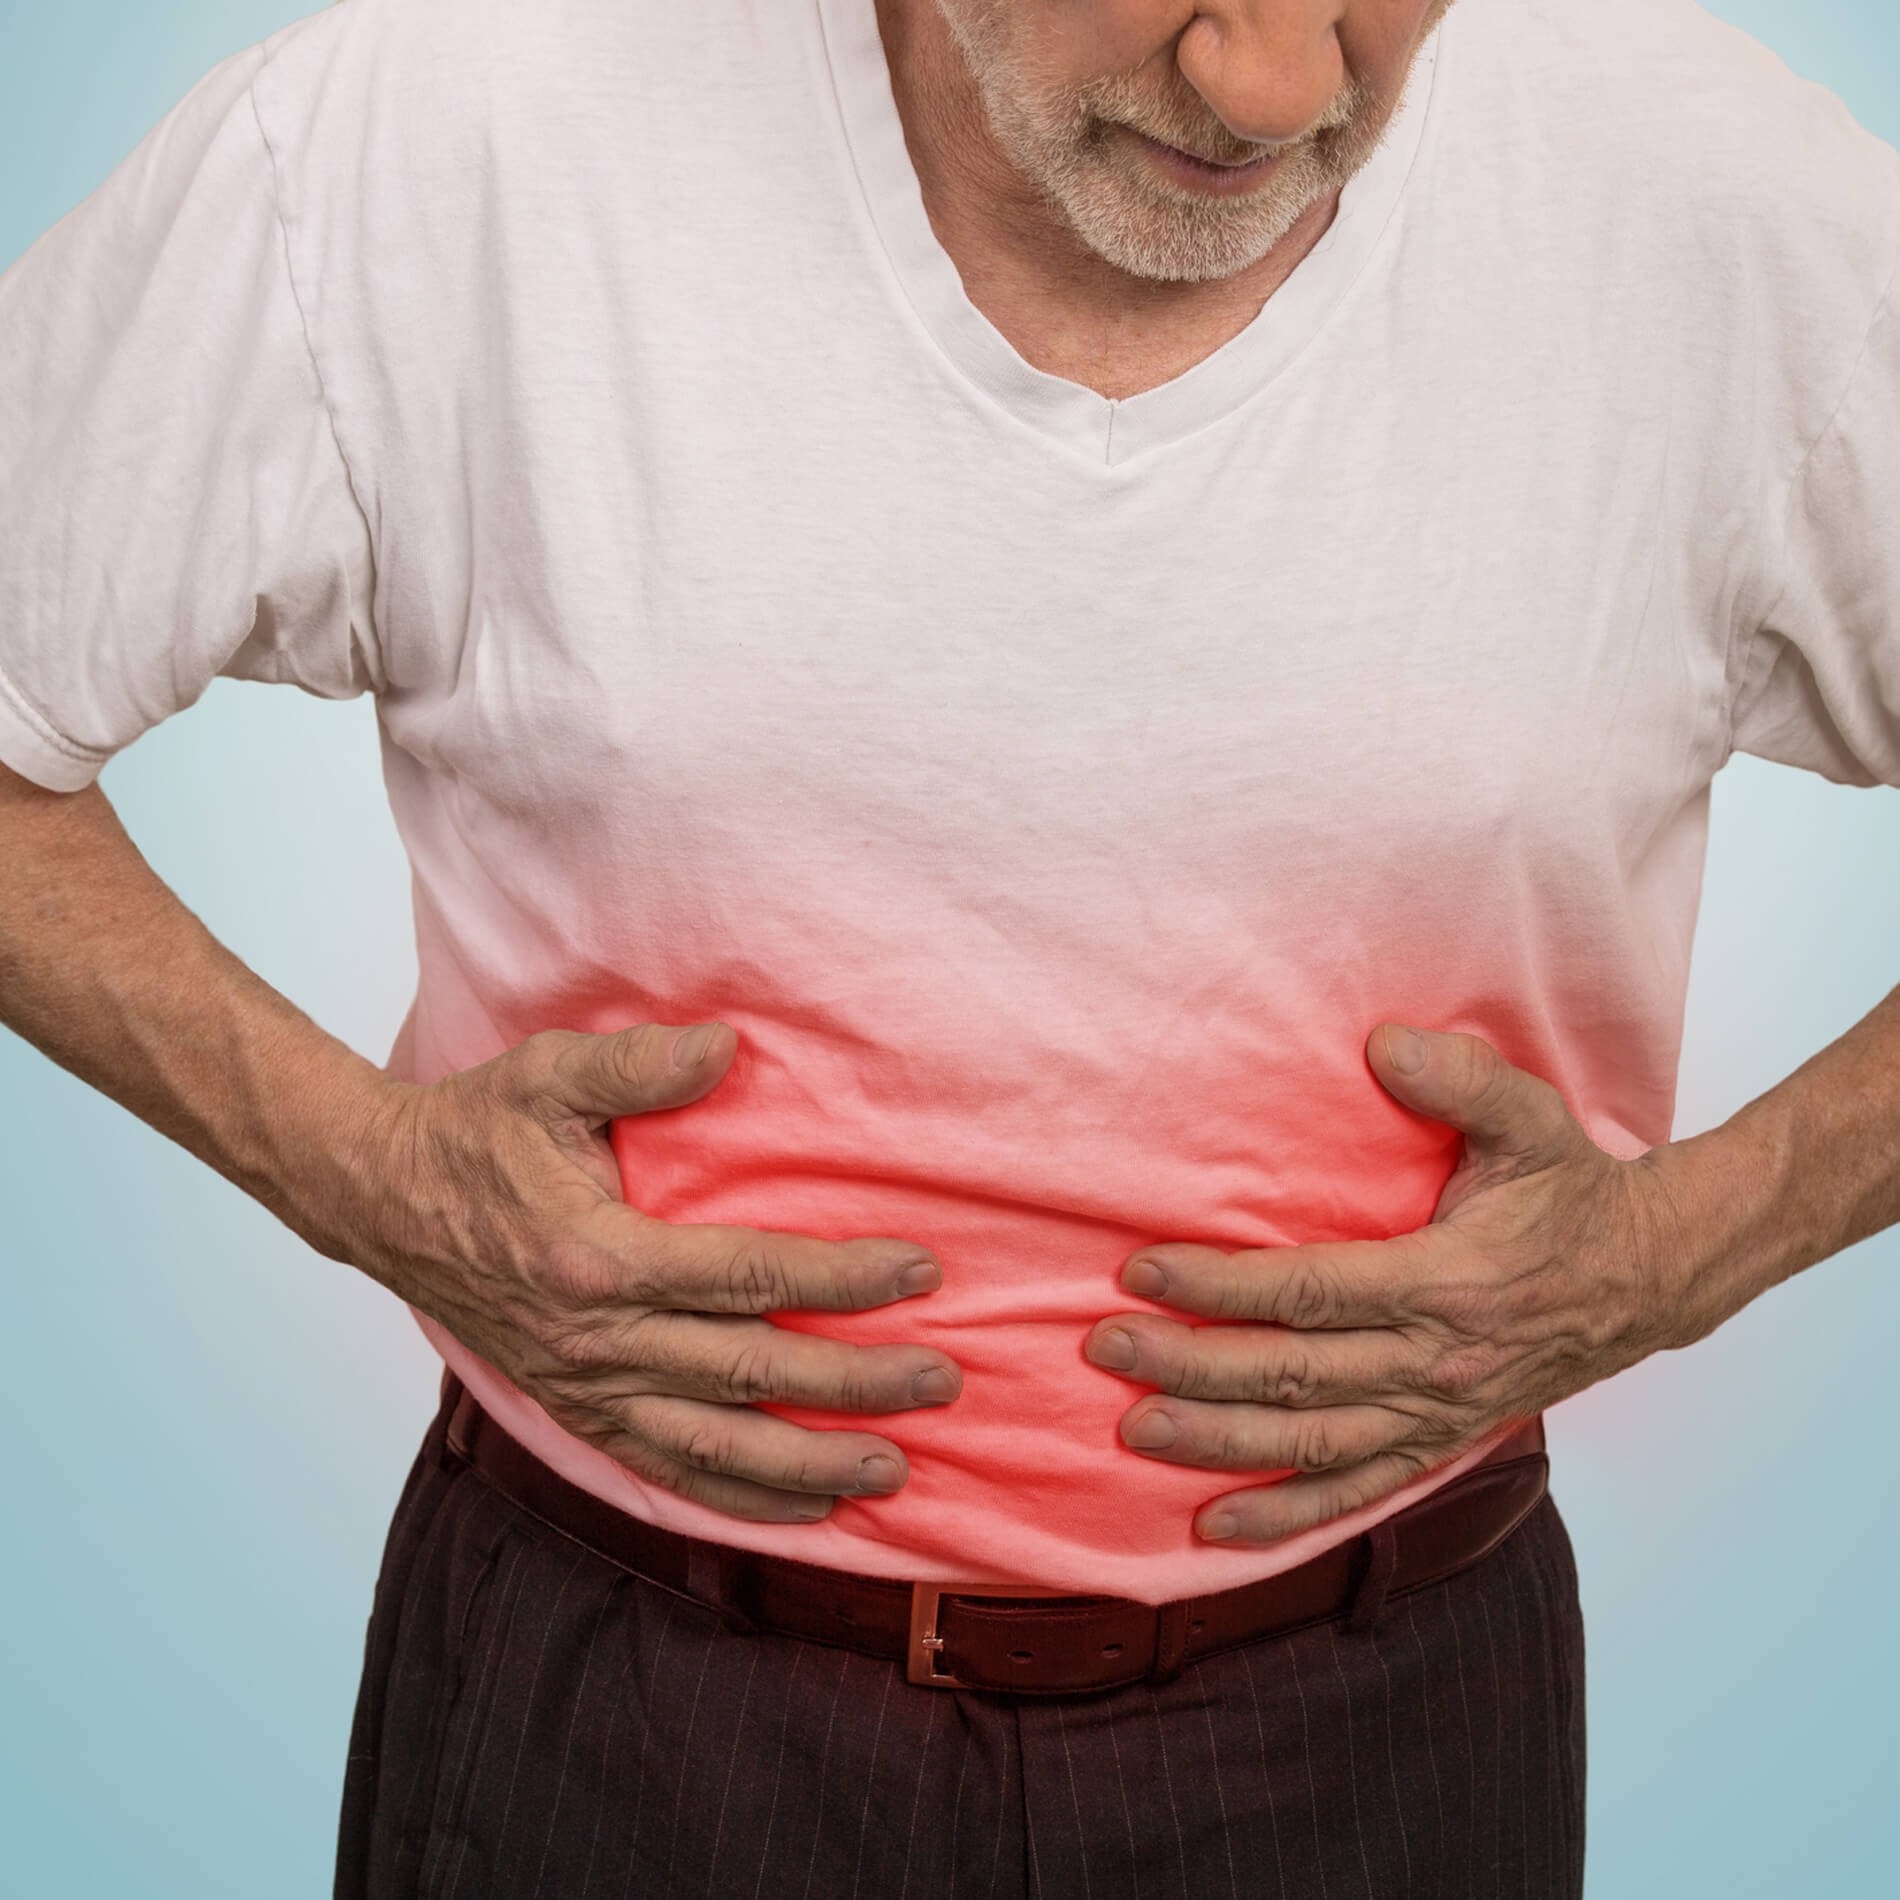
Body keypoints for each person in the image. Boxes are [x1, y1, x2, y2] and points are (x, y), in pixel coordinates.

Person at [1, 0, 1896, 1892]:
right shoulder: (435, 147)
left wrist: (1676, 1253)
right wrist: (360, 1172)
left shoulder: (1716, 206)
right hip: (626, 1715)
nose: (1277, 87)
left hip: (1385, 1721)